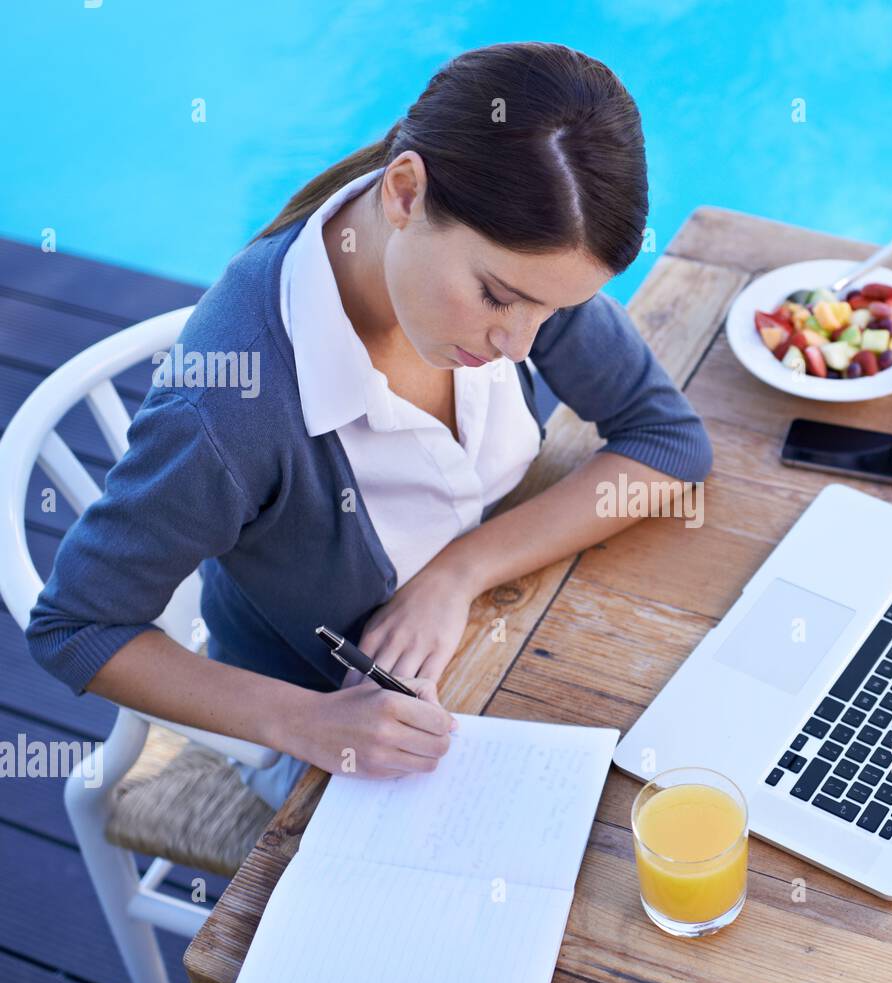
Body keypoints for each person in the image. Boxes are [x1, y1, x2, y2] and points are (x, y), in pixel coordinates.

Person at [25, 42, 713, 810]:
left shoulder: (520, 253)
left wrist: (458, 573)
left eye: (554, 311)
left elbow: (667, 444)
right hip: (336, 726)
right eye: (496, 299)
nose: (519, 346)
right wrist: (310, 723)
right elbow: (74, 627)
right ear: (405, 193)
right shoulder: (231, 409)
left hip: (492, 631)